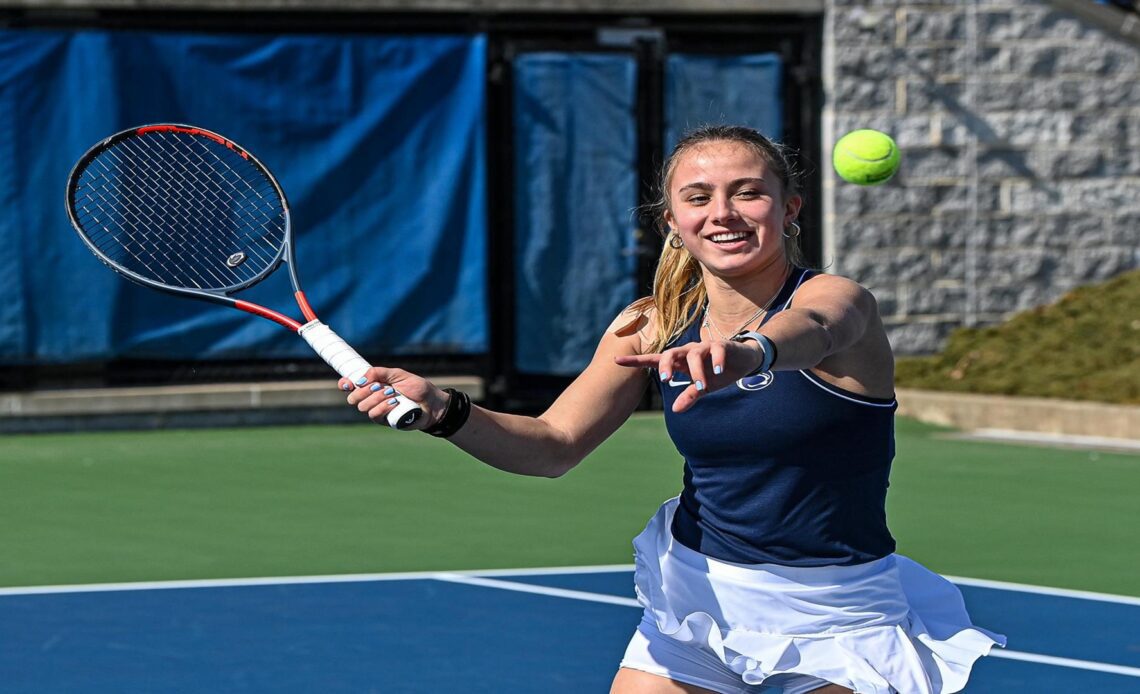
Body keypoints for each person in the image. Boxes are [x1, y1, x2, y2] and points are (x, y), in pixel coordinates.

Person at [340, 124, 1005, 693]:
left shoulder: (839, 299)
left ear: (790, 208)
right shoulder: (651, 325)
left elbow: (820, 327)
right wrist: (447, 411)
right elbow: (551, 445)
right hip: (698, 598)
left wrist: (748, 354)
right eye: (699, 197)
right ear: (673, 222)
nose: (724, 213)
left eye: (748, 192)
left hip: (842, 611)